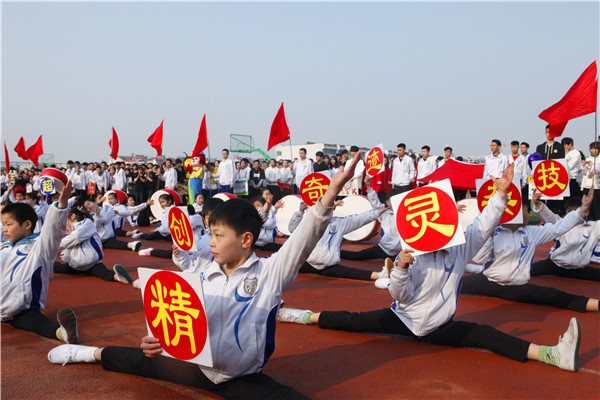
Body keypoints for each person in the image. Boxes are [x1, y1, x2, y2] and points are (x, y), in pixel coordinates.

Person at [46, 151, 365, 400]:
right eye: (210, 234)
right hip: (192, 365)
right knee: (138, 360)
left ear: (245, 240)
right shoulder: (201, 271)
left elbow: (302, 240)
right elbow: (180, 318)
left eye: (219, 236)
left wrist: (329, 196)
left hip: (240, 379)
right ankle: (86, 352)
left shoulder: (270, 273)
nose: (211, 242)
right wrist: (161, 341)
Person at [279, 164, 590, 372]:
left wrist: (501, 194)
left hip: (440, 325)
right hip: (404, 318)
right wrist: (400, 269)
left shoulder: (459, 246)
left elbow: (483, 225)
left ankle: (552, 354)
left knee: (485, 334)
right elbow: (401, 294)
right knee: (353, 320)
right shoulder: (414, 252)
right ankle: (303, 315)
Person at [461, 190, 599, 313]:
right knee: (455, 283)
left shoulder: (532, 233)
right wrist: (489, 233)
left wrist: (583, 209)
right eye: (523, 211)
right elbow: (479, 258)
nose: (526, 215)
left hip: (519, 287)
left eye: (526, 211)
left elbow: (559, 227)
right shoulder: (494, 233)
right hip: (489, 282)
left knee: (553, 295)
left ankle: (596, 304)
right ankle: (467, 268)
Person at [1, 181, 79, 344]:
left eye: (9, 224)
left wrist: (61, 205)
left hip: (21, 308)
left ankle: (63, 333)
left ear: (27, 225)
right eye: (3, 225)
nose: (5, 229)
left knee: (38, 324)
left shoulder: (39, 246)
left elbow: (52, 230)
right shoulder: (4, 247)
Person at [288, 201, 389, 281]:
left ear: (332, 209)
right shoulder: (309, 221)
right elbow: (292, 228)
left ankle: (380, 275)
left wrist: (379, 212)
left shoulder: (340, 223)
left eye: (329, 208)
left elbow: (360, 219)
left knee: (350, 272)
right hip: (309, 263)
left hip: (329, 265)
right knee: (286, 265)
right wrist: (300, 211)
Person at [53, 207, 135, 285]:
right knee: (58, 268)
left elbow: (76, 237)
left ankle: (118, 277)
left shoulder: (87, 223)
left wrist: (66, 236)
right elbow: (66, 245)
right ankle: (48, 264)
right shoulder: (70, 230)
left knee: (103, 273)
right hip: (76, 265)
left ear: (73, 216)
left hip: (92, 263)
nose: (64, 224)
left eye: (65, 220)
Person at [530, 196, 600, 281]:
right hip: (554, 265)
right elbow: (549, 216)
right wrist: (538, 204)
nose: (574, 214)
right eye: (570, 211)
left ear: (586, 212)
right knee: (524, 271)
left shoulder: (593, 227)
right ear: (566, 212)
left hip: (579, 269)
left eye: (577, 211)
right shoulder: (560, 222)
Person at [340, 178, 401, 264]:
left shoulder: (405, 214)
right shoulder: (384, 212)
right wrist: (369, 187)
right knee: (358, 256)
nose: (396, 202)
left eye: (398, 200)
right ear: (387, 202)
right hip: (383, 248)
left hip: (400, 252)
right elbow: (375, 203)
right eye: (393, 200)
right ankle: (339, 252)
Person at [581, 141, 600, 221]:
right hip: (587, 186)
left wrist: (594, 169)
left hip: (596, 186)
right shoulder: (588, 158)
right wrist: (584, 165)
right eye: (591, 148)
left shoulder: (599, 159)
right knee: (587, 206)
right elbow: (584, 173)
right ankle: (589, 221)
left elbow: (597, 168)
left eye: (595, 148)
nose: (593, 150)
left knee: (596, 206)